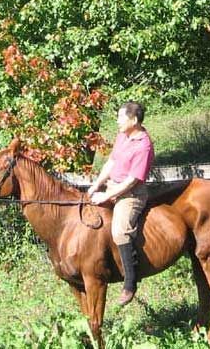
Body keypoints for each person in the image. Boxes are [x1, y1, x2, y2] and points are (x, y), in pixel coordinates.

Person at [88, 101, 154, 306]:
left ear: (134, 120)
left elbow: (132, 181)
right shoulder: (123, 136)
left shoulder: (144, 145)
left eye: (121, 118)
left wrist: (106, 196)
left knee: (120, 231)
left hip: (130, 194)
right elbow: (112, 162)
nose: (117, 121)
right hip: (112, 187)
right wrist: (96, 185)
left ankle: (130, 281)